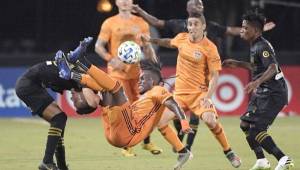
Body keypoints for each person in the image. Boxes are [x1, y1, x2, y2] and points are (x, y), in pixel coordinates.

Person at [132, 0, 275, 151]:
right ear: (187, 8)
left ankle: (189, 146)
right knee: (177, 111)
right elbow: (157, 24)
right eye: (195, 4)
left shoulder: (211, 26)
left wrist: (256, 29)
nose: (199, 6)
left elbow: (232, 31)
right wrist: (140, 12)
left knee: (196, 115)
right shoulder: (179, 25)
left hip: (204, 77)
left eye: (201, 4)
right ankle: (181, 139)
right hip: (186, 72)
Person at [56, 41, 194, 170]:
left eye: (143, 78)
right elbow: (163, 124)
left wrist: (184, 122)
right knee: (107, 88)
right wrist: (182, 150)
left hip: (128, 133)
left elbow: (173, 104)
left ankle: (77, 67)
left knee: (116, 88)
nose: (139, 80)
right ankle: (76, 67)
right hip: (115, 132)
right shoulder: (148, 100)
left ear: (153, 81)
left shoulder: (159, 90)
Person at [142, 13, 242, 168]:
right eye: (190, 24)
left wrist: (208, 97)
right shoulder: (182, 38)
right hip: (180, 95)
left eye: (196, 24)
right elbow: (169, 42)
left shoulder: (210, 48)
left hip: (199, 95)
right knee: (160, 121)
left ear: (203, 26)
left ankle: (229, 152)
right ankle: (183, 152)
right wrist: (151, 40)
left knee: (210, 120)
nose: (192, 27)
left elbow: (215, 76)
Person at [222, 10, 294, 170]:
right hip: (264, 92)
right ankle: (262, 160)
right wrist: (238, 64)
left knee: (257, 129)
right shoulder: (255, 45)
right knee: (245, 125)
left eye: (245, 27)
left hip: (274, 93)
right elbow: (257, 67)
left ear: (255, 30)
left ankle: (284, 159)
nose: (241, 30)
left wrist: (257, 82)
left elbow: (273, 67)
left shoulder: (262, 46)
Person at [14, 38, 95, 170]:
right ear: (83, 96)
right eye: (76, 102)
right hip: (28, 85)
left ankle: (60, 166)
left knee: (59, 122)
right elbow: (68, 58)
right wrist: (80, 49)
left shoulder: (77, 78)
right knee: (59, 118)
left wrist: (80, 49)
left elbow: (70, 58)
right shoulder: (80, 81)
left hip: (31, 84)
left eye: (74, 103)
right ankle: (47, 161)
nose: (73, 100)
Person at [95, 0, 161, 156]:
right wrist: (111, 59)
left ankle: (146, 141)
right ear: (116, 2)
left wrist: (151, 63)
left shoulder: (141, 22)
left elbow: (147, 47)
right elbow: (98, 46)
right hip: (117, 73)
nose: (125, 2)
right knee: (123, 109)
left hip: (138, 73)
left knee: (143, 107)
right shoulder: (109, 22)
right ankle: (127, 146)